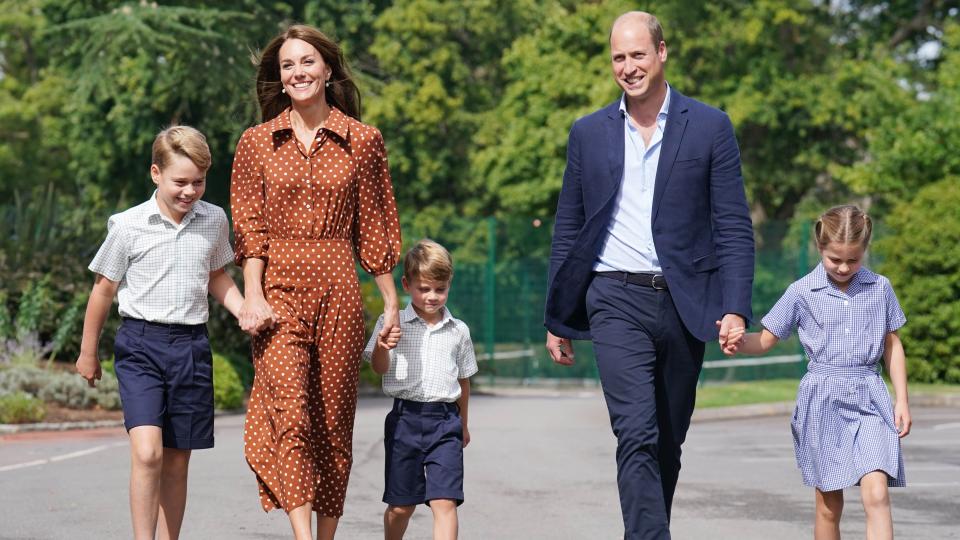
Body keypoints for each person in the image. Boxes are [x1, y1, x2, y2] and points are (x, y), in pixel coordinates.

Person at [543, 11, 755, 539]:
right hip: (613, 296)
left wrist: (735, 306)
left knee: (666, 440)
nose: (628, 67)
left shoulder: (709, 126)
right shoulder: (589, 133)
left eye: (638, 54)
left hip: (686, 303)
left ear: (662, 53)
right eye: (619, 57)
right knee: (635, 431)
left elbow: (732, 224)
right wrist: (557, 315)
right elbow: (568, 226)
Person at [230, 24, 403, 540]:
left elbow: (374, 225)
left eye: (307, 62)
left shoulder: (364, 140)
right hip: (278, 292)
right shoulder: (257, 143)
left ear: (327, 70)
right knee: (292, 413)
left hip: (339, 290)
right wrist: (253, 296)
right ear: (279, 79)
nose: (298, 72)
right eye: (288, 65)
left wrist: (390, 303)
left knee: (332, 422)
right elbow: (250, 228)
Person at [75, 125, 243, 540]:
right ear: (156, 174)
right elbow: (103, 290)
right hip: (140, 346)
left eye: (198, 182)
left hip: (190, 347)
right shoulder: (129, 225)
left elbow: (217, 274)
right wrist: (88, 352)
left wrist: (243, 309)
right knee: (148, 452)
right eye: (180, 182)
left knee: (177, 459)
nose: (190, 191)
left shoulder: (214, 219)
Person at [722, 205, 910, 540]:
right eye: (835, 258)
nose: (843, 267)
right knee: (828, 505)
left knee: (877, 494)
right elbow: (765, 340)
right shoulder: (800, 291)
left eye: (853, 260)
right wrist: (736, 341)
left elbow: (892, 345)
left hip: (870, 397)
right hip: (823, 402)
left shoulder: (880, 288)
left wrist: (902, 401)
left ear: (864, 250)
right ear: (819, 248)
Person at [363, 239, 478, 540]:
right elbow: (378, 368)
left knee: (445, 502)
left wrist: (463, 424)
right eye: (424, 289)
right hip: (405, 421)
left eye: (440, 289)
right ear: (406, 284)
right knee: (402, 506)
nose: (432, 296)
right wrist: (381, 346)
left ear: (449, 285)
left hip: (445, 423)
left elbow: (464, 381)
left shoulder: (459, 330)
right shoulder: (391, 322)